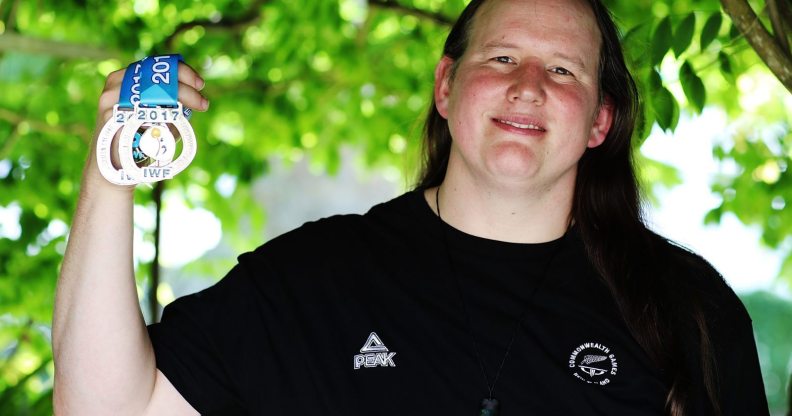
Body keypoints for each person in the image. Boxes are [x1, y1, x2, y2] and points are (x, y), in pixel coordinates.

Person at [52, 0, 770, 414]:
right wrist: (113, 166)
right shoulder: (318, 280)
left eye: (561, 69)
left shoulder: (686, 308)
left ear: (599, 123)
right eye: (500, 59)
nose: (527, 86)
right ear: (446, 88)